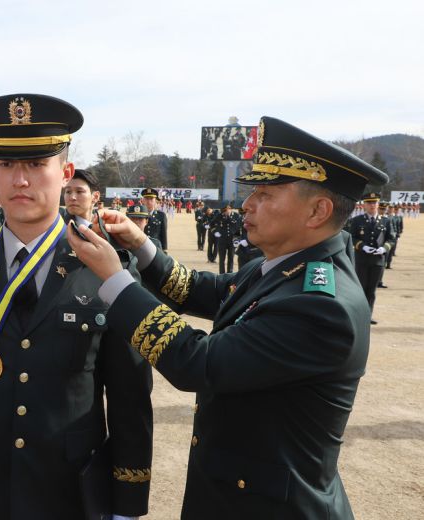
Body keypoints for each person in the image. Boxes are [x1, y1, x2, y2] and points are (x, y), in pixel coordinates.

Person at [67, 116, 386, 519]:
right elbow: (203, 290)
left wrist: (115, 280)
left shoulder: (322, 304)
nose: (247, 204)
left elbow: (197, 363)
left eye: (266, 194)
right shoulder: (279, 266)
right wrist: (141, 244)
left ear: (318, 211)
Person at [0, 94, 153, 520]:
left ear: (65, 173)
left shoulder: (106, 267)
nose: (20, 181)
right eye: (8, 166)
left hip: (69, 490)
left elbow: (129, 398)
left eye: (36, 164)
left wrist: (127, 503)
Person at [349, 192, 394, 324]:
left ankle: (368, 316)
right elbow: (351, 237)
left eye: (374, 202)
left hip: (378, 261)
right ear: (364, 205)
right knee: (361, 289)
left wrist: (384, 248)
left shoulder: (386, 221)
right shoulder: (357, 221)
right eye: (369, 203)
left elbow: (391, 239)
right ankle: (358, 315)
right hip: (362, 260)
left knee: (372, 290)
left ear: (378, 204)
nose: (372, 205)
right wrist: (362, 246)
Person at [215, 203, 240, 274]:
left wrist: (237, 239)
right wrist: (215, 232)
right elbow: (213, 223)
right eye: (225, 210)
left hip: (232, 240)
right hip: (222, 240)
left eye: (228, 209)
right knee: (221, 259)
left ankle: (230, 273)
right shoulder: (220, 215)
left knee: (231, 258)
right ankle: (221, 274)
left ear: (231, 209)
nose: (227, 211)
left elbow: (237, 227)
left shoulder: (236, 215)